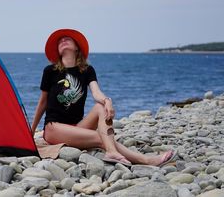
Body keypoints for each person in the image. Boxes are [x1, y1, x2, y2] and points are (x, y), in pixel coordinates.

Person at [31, 29, 175, 166]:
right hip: (54, 128)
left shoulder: (87, 70)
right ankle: (145, 160)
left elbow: (96, 93)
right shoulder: (50, 71)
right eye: (60, 41)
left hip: (77, 126)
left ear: (76, 47)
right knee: (103, 138)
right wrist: (31, 131)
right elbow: (42, 102)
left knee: (100, 107)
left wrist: (107, 101)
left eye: (67, 39)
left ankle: (114, 152)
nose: (63, 41)